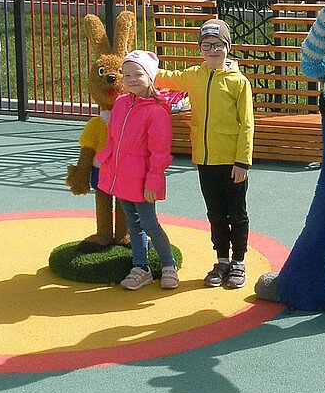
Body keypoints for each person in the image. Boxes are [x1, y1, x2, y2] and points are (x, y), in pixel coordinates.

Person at [153, 19, 254, 289]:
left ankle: (239, 261)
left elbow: (247, 124)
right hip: (205, 159)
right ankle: (221, 260)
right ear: (200, 49)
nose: (212, 50)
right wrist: (137, 64)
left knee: (237, 213)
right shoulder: (194, 75)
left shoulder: (238, 82)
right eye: (207, 45)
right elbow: (164, 76)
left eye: (218, 45)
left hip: (232, 162)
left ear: (227, 47)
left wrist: (243, 161)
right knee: (215, 213)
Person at [95, 50, 177, 290]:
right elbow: (113, 140)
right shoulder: (120, 103)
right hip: (121, 177)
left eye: (137, 74)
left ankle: (168, 265)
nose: (131, 79)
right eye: (126, 74)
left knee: (150, 224)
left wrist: (153, 181)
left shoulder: (156, 112)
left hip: (142, 180)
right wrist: (104, 161)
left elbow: (159, 152)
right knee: (133, 223)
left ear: (150, 77)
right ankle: (141, 267)